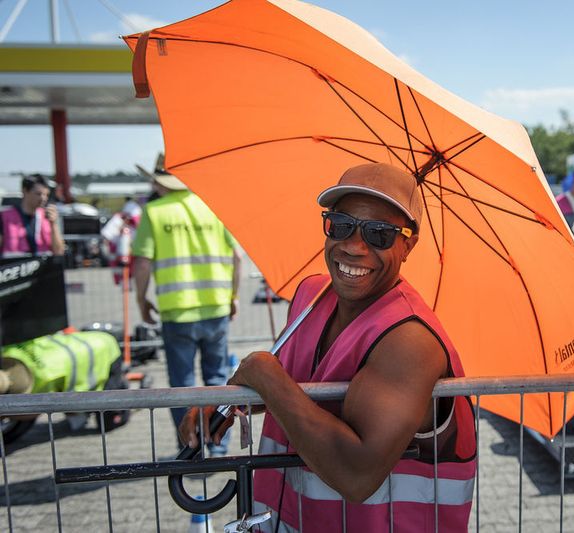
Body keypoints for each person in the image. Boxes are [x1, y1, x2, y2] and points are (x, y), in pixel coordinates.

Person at [180, 163, 477, 532]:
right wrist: (231, 400)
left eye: (379, 234)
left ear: (408, 244)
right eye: (340, 225)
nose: (353, 246)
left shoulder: (409, 341)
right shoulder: (310, 295)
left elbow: (357, 475)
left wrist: (265, 376)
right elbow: (301, 389)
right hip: (284, 519)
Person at [132, 167, 241, 456]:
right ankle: (218, 444)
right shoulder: (212, 207)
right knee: (217, 379)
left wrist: (142, 301)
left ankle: (190, 445)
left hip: (176, 311)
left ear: (158, 182)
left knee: (182, 386)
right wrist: (233, 296)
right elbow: (236, 257)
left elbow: (142, 263)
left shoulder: (155, 212)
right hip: (215, 307)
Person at [0, 174, 65, 258]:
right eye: (38, 194)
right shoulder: (5, 217)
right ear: (25, 191)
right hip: (14, 268)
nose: (43, 198)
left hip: (42, 269)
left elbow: (59, 252)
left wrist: (53, 224)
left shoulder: (48, 217)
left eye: (46, 195)